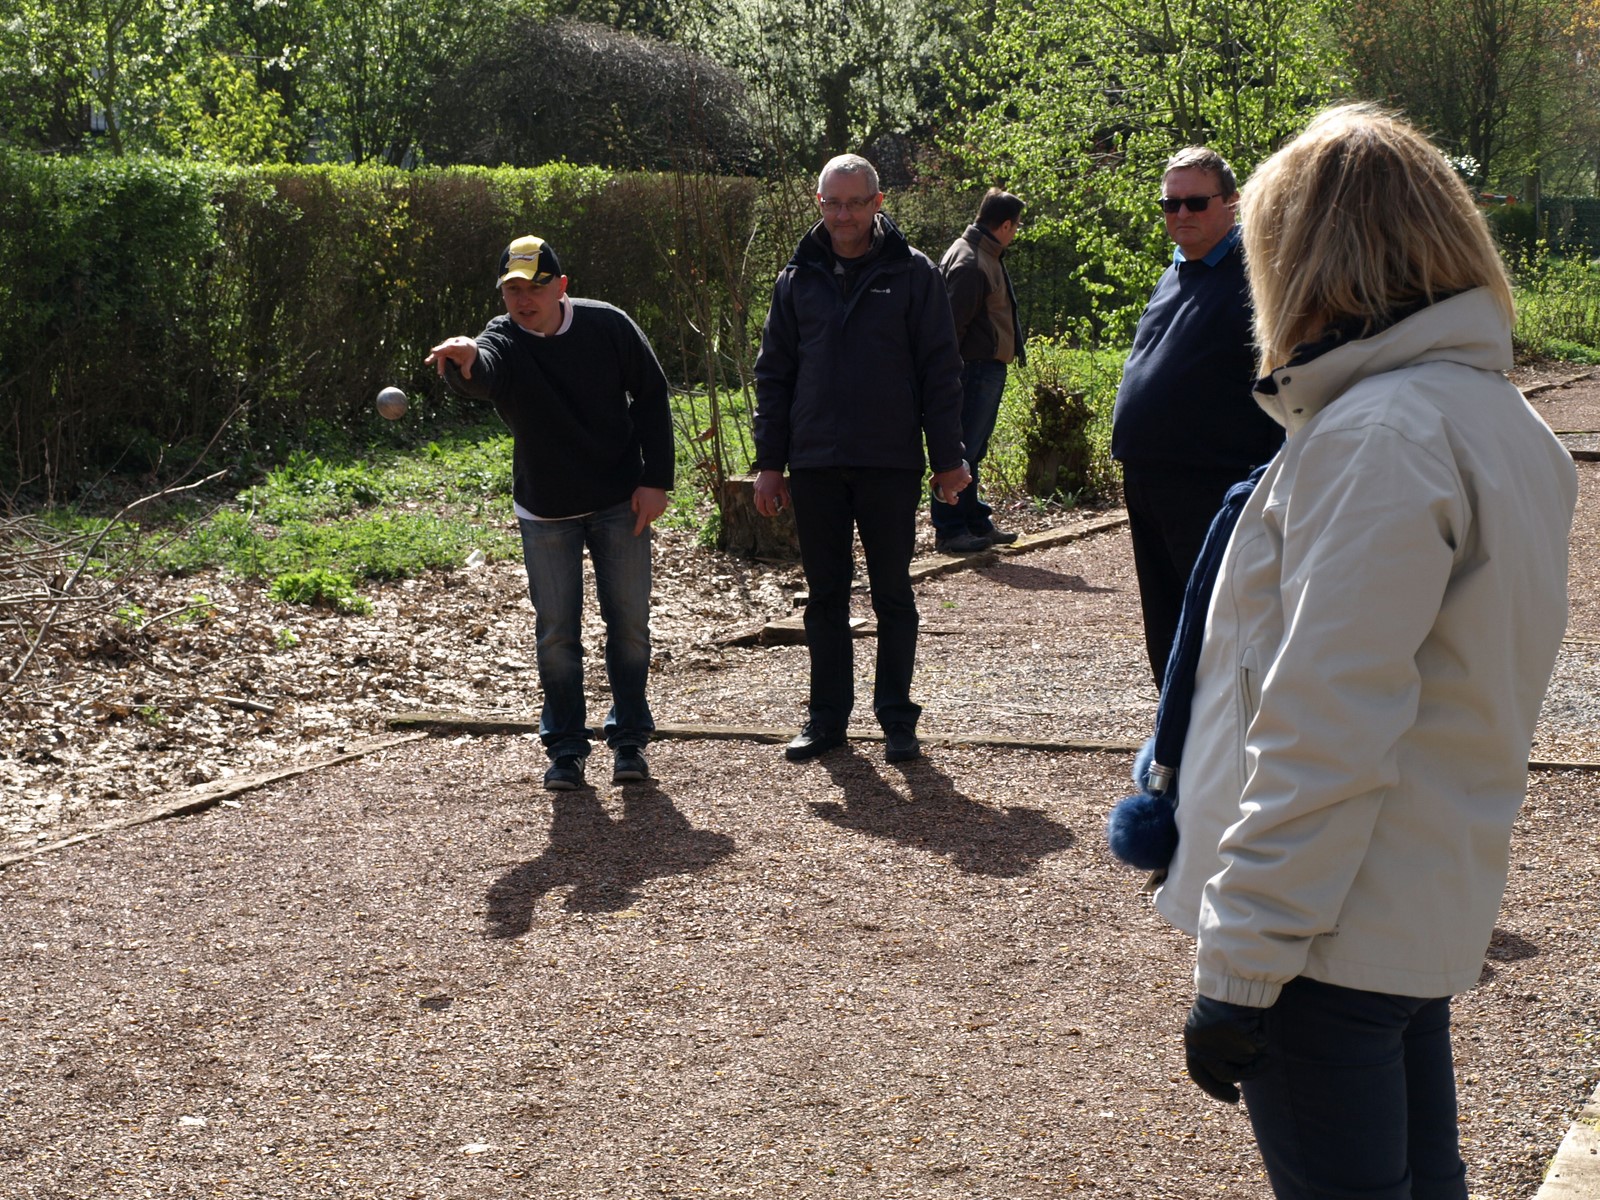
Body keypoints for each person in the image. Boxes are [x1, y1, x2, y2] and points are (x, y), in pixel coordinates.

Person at [1154, 105, 1577, 1198]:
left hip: (1325, 931)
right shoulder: (1494, 420)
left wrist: (1242, 959)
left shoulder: (1378, 435)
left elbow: (1325, 722)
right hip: (1407, 898)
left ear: (1303, 258)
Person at [425, 235, 674, 792]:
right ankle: (565, 748)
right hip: (545, 508)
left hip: (618, 499)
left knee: (630, 626)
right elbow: (484, 372)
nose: (523, 300)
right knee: (557, 634)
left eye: (534, 287)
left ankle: (629, 740)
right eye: (512, 289)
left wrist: (656, 480)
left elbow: (652, 394)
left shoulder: (607, 324)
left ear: (561, 286)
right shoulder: (502, 337)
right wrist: (464, 358)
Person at [751, 153, 970, 765]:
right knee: (825, 596)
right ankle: (827, 719)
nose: (843, 215)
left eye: (854, 203)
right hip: (815, 461)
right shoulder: (797, 278)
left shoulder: (914, 273)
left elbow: (940, 372)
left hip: (888, 459)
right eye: (832, 203)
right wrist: (770, 463)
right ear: (818, 203)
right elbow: (774, 375)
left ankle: (897, 718)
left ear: (878, 203)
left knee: (892, 593)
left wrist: (948, 458)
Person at [1111, 146, 1284, 687]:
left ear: (1232, 203)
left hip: (1210, 481)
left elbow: (1281, 378)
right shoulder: (1177, 272)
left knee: (1215, 625)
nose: (1181, 213)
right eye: (1171, 204)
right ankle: (1175, 728)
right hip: (1149, 477)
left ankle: (1221, 730)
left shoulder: (1256, 278)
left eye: (1195, 202)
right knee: (1166, 625)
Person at [931, 188, 1027, 554]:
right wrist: (949, 377)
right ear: (1005, 225)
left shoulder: (981, 253)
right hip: (972, 369)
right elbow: (951, 329)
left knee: (973, 450)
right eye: (1016, 226)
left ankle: (973, 520)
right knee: (961, 450)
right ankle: (950, 528)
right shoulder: (972, 261)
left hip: (982, 367)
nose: (1015, 233)